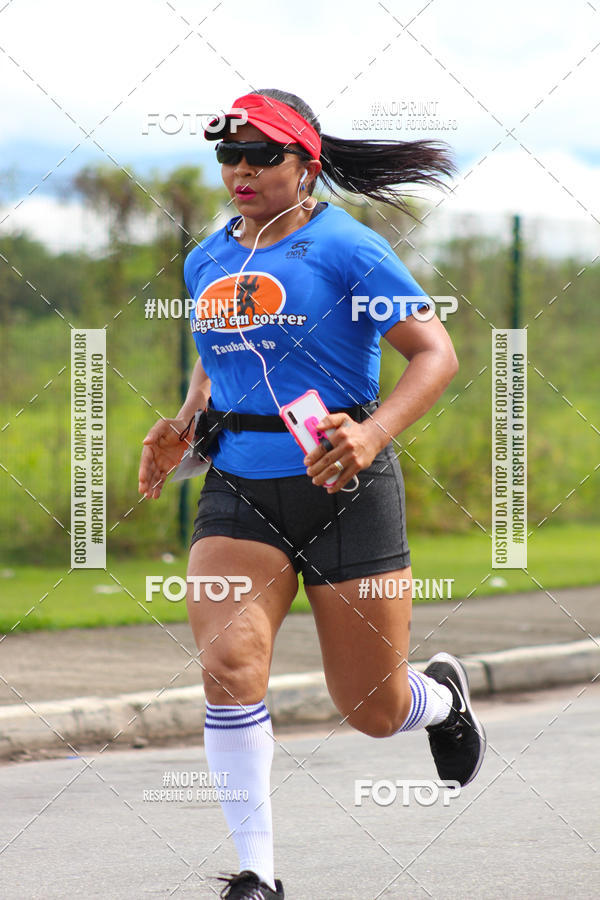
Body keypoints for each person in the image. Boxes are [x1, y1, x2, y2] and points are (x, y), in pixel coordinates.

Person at [138, 89, 486, 900]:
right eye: (230, 155)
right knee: (227, 665)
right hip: (238, 486)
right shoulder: (207, 256)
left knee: (370, 705)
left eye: (263, 154)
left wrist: (370, 435)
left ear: (305, 163)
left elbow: (433, 354)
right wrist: (187, 420)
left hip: (345, 486)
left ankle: (440, 701)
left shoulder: (349, 248)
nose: (241, 170)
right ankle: (256, 874)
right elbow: (222, 347)